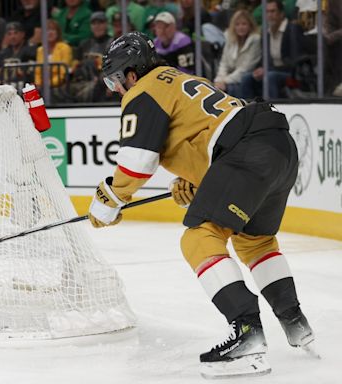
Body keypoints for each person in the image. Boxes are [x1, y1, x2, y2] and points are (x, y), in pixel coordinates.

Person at [89, 31, 315, 378]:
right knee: (255, 242)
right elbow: (212, 133)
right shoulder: (183, 79)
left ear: (131, 73)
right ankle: (295, 323)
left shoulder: (143, 91)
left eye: (115, 79)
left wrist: (110, 198)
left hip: (247, 152)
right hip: (277, 144)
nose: (115, 89)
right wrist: (198, 180)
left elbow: (137, 162)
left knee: (198, 238)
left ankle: (247, 335)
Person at [240, 0, 303, 99]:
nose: (269, 15)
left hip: (290, 73)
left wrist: (268, 70)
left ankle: (271, 109)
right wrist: (260, 69)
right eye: (267, 12)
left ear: (281, 14)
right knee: (247, 78)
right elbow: (264, 58)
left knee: (270, 77)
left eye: (273, 11)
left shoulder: (293, 29)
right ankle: (248, 111)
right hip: (271, 71)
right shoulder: (266, 32)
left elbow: (295, 59)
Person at [213, 9, 261, 97]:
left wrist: (224, 81)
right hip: (230, 79)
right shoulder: (230, 38)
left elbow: (246, 68)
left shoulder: (255, 40)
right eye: (237, 24)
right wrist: (219, 80)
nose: (241, 27)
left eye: (244, 24)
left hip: (246, 78)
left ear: (250, 25)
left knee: (232, 88)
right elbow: (224, 64)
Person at [34, 19, 73, 88]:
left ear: (58, 33)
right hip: (42, 86)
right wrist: (38, 84)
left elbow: (63, 72)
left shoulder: (65, 48)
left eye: (53, 30)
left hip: (60, 85)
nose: (50, 33)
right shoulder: (40, 50)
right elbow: (38, 72)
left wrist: (48, 84)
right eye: (47, 30)